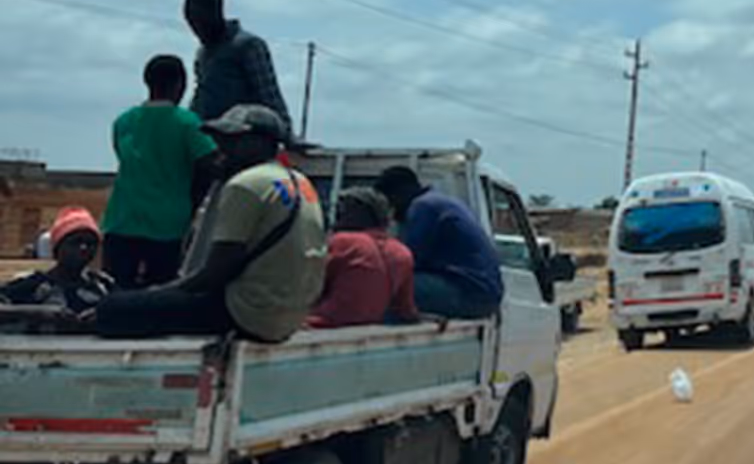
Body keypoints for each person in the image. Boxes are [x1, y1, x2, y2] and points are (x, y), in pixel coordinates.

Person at [95, 105, 326, 341]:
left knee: (113, 309)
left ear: (260, 143)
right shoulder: (301, 182)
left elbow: (215, 273)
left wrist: (157, 293)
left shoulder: (245, 185)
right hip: (289, 317)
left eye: (232, 140)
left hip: (248, 312)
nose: (221, 148)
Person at [104, 54, 222, 290]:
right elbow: (211, 162)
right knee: (160, 295)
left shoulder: (123, 122)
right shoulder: (188, 123)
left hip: (121, 220)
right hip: (168, 225)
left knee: (117, 292)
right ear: (180, 84)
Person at [375, 166, 503, 320]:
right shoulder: (440, 202)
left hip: (469, 292)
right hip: (482, 292)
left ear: (400, 192)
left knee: (383, 288)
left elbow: (407, 260)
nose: (391, 208)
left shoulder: (423, 206)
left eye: (390, 200)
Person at [307, 188, 419, 328]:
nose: (337, 217)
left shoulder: (344, 242)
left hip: (321, 322)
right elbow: (406, 310)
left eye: (343, 210)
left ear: (360, 214)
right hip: (368, 324)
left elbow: (309, 285)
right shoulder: (403, 253)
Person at [183, 0, 290, 126]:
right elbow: (201, 96)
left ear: (217, 15)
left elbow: (269, 93)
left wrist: (285, 129)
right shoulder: (203, 53)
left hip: (244, 133)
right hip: (209, 131)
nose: (197, 29)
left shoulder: (248, 45)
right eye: (192, 23)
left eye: (201, 22)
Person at [3, 208, 114, 316]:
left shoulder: (103, 285)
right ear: (58, 248)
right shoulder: (35, 284)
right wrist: (39, 313)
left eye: (90, 243)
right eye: (75, 242)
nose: (83, 248)